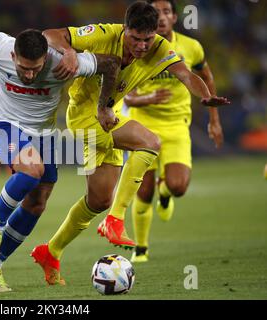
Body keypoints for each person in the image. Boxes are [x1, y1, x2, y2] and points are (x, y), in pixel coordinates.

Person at [31, 1, 230, 285]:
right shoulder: (103, 33)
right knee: (149, 141)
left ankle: (51, 251)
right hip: (83, 118)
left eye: (147, 39)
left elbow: (187, 75)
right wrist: (69, 53)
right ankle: (116, 220)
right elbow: (50, 34)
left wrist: (205, 96)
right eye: (135, 38)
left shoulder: (160, 48)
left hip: (108, 118)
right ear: (125, 30)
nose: (141, 45)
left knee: (98, 200)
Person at [0, 29, 120, 292]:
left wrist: (104, 105)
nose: (29, 75)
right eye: (23, 68)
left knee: (37, 204)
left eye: (36, 69)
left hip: (43, 134)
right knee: (32, 170)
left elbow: (112, 64)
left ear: (46, 57)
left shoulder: (63, 63)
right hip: (4, 124)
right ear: (13, 55)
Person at [125, 0, 224, 263]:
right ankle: (141, 249)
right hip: (142, 127)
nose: (161, 17)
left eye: (166, 11)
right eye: (155, 13)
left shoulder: (191, 47)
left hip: (177, 126)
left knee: (178, 186)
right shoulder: (139, 47)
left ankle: (166, 193)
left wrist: (214, 120)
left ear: (174, 17)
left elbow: (207, 78)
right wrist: (147, 99)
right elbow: (126, 97)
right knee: (143, 191)